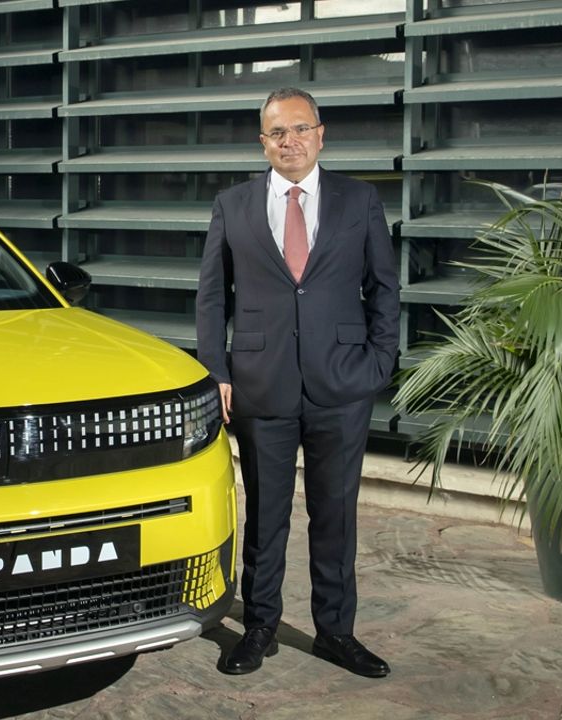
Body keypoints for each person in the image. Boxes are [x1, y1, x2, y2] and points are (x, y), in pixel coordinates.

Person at [195, 87, 399, 678]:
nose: (291, 141)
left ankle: (336, 633)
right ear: (263, 142)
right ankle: (260, 627)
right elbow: (212, 296)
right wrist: (217, 371)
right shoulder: (232, 204)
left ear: (320, 134)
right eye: (277, 132)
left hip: (343, 383)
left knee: (336, 513)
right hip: (261, 384)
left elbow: (384, 287)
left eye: (300, 128)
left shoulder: (359, 200)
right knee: (265, 515)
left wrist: (378, 362)